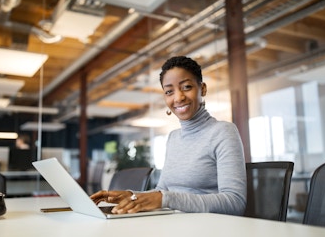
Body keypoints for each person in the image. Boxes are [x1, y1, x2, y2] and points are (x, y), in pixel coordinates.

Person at [91, 56, 247, 215]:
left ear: (203, 89)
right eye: (169, 91)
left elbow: (235, 202)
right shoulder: (173, 137)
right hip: (173, 223)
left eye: (186, 87)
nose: (178, 97)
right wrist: (132, 196)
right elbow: (163, 191)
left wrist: (165, 199)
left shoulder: (223, 132)